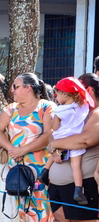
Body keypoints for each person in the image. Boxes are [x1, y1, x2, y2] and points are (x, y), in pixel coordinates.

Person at [0, 72, 56, 222]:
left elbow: (48, 136)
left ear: (28, 87)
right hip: (17, 167)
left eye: (16, 86)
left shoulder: (46, 107)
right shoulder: (11, 109)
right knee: (23, 208)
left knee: (38, 208)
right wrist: (11, 148)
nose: (13, 90)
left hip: (38, 168)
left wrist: (23, 150)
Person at [47, 73, 99, 222]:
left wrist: (59, 143)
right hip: (58, 181)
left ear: (87, 91)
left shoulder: (96, 114)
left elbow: (85, 139)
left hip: (83, 180)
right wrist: (55, 143)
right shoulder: (68, 111)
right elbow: (51, 135)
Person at [39, 77, 93, 206]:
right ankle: (78, 190)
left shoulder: (59, 110)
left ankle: (45, 171)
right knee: (76, 166)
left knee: (55, 155)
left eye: (58, 94)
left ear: (66, 94)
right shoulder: (81, 107)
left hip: (60, 141)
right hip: (75, 142)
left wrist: (54, 119)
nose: (56, 98)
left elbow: (55, 127)